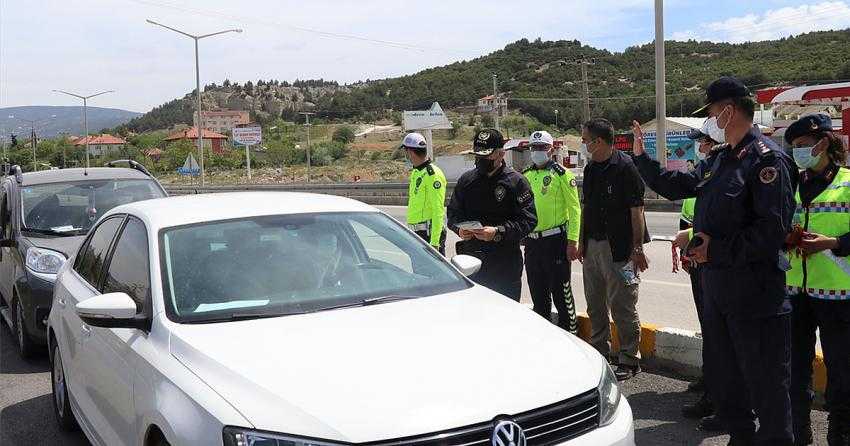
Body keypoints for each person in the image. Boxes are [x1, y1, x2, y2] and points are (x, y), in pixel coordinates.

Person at [633, 76, 797, 445]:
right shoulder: (720, 159)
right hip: (718, 289)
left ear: (728, 111)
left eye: (710, 112)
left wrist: (715, 249)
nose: (709, 120)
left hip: (755, 292)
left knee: (767, 386)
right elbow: (678, 186)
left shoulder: (768, 161)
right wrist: (642, 159)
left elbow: (772, 232)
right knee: (727, 380)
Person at [784, 114, 850, 446]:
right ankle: (799, 431)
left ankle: (840, 433)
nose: (798, 153)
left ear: (824, 143)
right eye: (794, 147)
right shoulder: (790, 184)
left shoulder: (849, 182)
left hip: (840, 296)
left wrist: (834, 243)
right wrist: (787, 238)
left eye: (803, 146)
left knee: (842, 371)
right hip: (795, 293)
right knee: (796, 369)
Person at [578, 118, 649, 381]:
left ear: (598, 142)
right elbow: (587, 207)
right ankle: (600, 353)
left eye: (585, 140)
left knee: (622, 306)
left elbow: (637, 210)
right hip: (593, 246)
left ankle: (630, 359)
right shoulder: (591, 169)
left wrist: (637, 248)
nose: (583, 144)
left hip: (620, 248)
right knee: (595, 305)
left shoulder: (625, 167)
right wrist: (581, 241)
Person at [447, 129, 537, 300]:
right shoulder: (467, 181)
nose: (480, 160)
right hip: (472, 262)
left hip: (504, 263)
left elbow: (529, 221)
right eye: (478, 155)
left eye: (486, 156)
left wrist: (498, 232)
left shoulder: (516, 182)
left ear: (501, 153)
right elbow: (453, 214)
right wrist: (459, 230)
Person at [674, 123, 723, 432]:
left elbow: (719, 224)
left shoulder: (721, 174)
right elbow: (690, 215)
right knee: (709, 328)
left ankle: (719, 398)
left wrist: (689, 236)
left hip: (718, 264)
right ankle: (711, 383)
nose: (698, 148)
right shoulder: (703, 176)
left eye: (702, 143)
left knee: (719, 333)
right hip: (698, 263)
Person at [523, 130, 581, 333]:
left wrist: (573, 241)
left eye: (542, 147)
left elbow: (575, 210)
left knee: (562, 295)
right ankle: (544, 337)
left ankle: (572, 334)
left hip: (556, 241)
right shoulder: (526, 175)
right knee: (538, 297)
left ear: (551, 149)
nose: (537, 151)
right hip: (532, 243)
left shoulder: (562, 174)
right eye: (534, 148)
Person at [401, 132, 447, 254]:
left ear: (410, 152)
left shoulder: (433, 174)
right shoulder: (417, 172)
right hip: (417, 235)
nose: (405, 155)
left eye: (405, 151)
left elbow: (438, 210)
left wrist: (435, 242)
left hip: (428, 235)